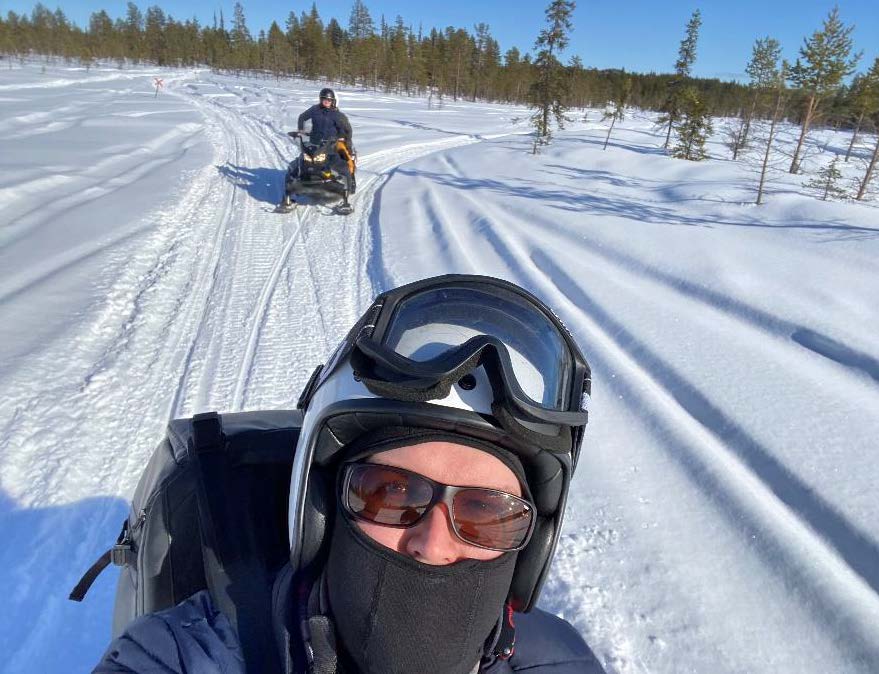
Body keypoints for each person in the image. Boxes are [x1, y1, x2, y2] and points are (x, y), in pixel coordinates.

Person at [95, 274, 604, 673]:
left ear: (531, 545)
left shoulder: (564, 660)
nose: (432, 543)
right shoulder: (182, 655)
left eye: (486, 513)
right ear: (320, 512)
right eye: (391, 494)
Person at [289, 87, 354, 181]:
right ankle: (298, 178)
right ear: (321, 99)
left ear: (333, 101)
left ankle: (348, 182)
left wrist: (344, 138)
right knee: (302, 161)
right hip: (314, 143)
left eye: (329, 100)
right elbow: (302, 117)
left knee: (340, 165)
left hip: (330, 145)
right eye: (324, 99)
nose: (326, 101)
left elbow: (347, 129)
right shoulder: (314, 109)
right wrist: (301, 130)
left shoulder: (337, 114)